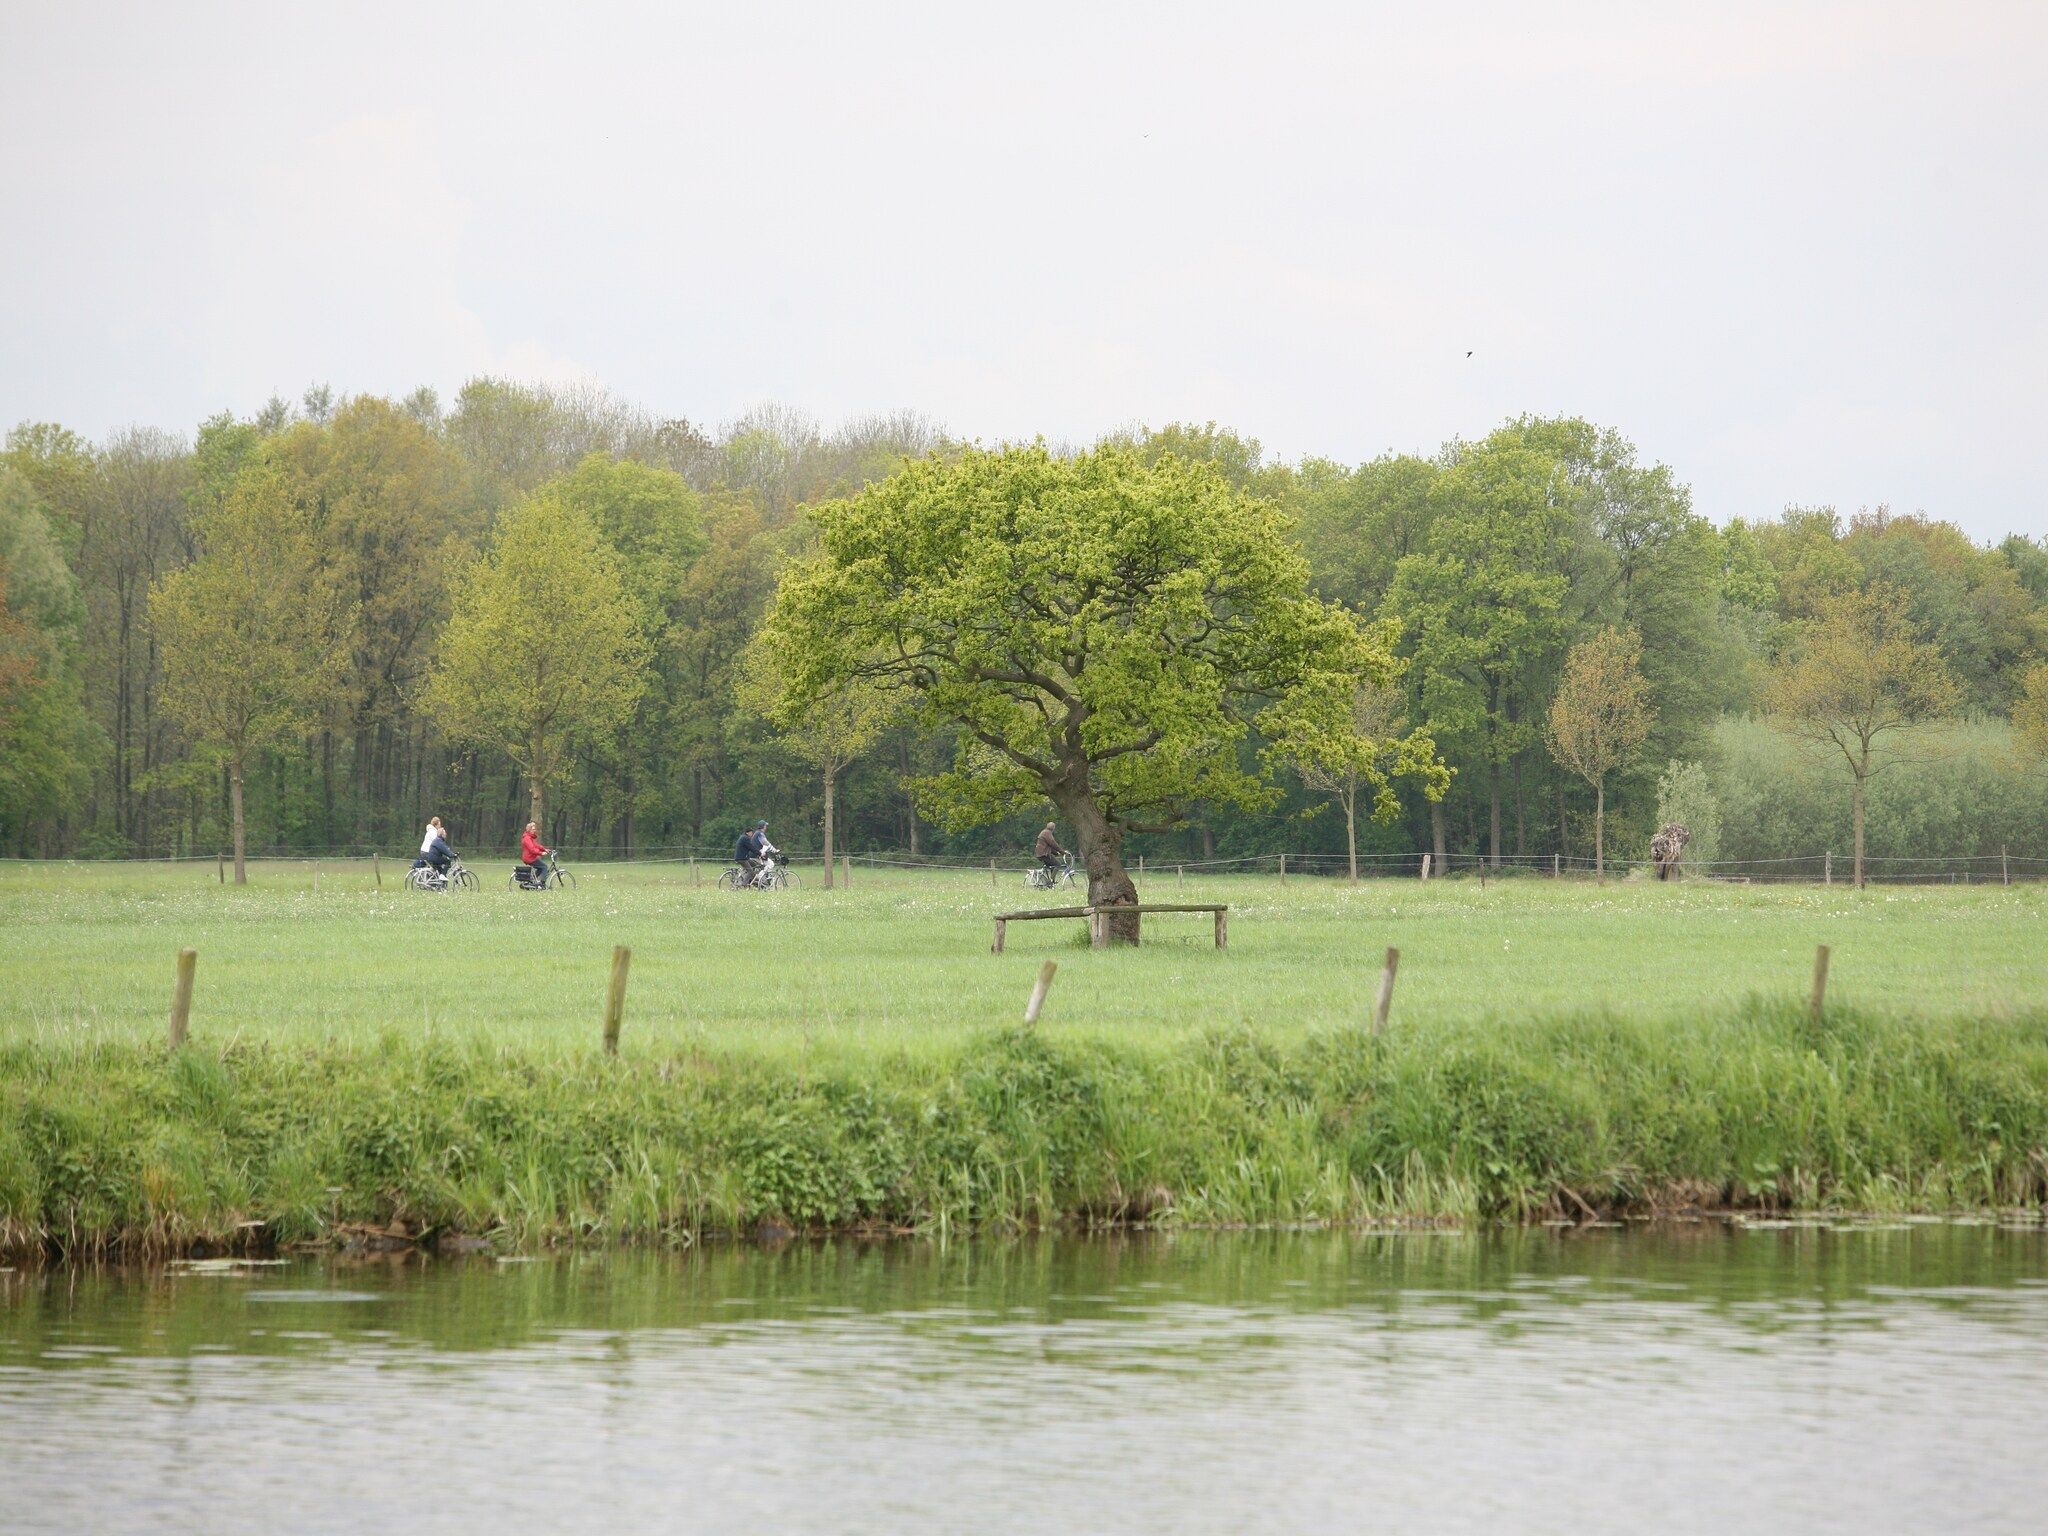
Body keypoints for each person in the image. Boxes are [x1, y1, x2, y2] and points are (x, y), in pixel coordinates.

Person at [733, 819, 780, 884]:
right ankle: (761, 879)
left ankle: (755, 881)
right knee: (770, 864)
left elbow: (760, 846)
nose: (766, 827)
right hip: (755, 855)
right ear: (763, 826)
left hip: (751, 856)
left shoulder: (755, 833)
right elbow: (766, 844)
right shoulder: (760, 834)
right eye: (765, 826)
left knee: (756, 867)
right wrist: (775, 850)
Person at [519, 822, 551, 888]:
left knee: (540, 868)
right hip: (529, 858)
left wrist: (545, 849)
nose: (535, 830)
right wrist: (541, 853)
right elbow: (532, 849)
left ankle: (532, 881)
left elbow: (536, 845)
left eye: (534, 829)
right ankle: (542, 884)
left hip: (531, 857)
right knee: (544, 867)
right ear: (529, 830)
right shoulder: (527, 838)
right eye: (533, 829)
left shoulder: (530, 837)